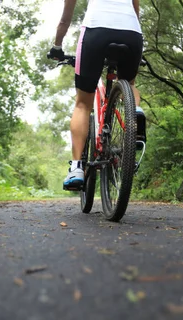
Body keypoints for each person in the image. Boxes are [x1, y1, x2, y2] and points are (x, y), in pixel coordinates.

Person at [48, 0, 145, 191]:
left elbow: (65, 20)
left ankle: (76, 168)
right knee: (130, 83)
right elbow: (135, 11)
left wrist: (57, 46)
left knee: (83, 103)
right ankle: (135, 114)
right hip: (132, 33)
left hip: (96, 31)